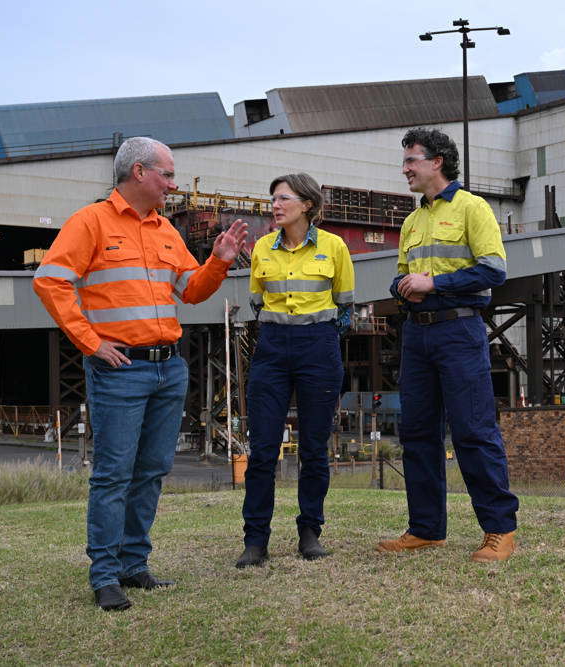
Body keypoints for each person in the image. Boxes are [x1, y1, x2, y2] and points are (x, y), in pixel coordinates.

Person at [32, 137, 247, 611]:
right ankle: (105, 575)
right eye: (168, 175)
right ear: (138, 173)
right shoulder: (90, 222)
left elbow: (190, 291)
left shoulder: (166, 229)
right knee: (113, 475)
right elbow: (50, 280)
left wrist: (220, 260)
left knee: (151, 471)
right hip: (120, 369)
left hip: (168, 368)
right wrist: (91, 342)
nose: (174, 184)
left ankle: (133, 565)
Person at [376, 127, 519, 562]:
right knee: (417, 432)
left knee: (473, 429)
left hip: (459, 331)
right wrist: (404, 287)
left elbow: (494, 271)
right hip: (417, 334)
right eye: (404, 161)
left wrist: (433, 282)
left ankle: (499, 529)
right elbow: (401, 276)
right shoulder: (411, 221)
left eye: (411, 160)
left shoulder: (473, 208)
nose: (405, 169)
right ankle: (426, 529)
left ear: (437, 161)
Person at [235, 173, 355, 568]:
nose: (275, 204)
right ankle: (255, 541)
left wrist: (317, 338)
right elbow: (256, 301)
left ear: (307, 204)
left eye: (284, 198)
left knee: (314, 449)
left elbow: (345, 307)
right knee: (263, 450)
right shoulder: (261, 249)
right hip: (271, 350)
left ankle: (310, 533)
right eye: (273, 198)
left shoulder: (335, 248)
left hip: (318, 349)